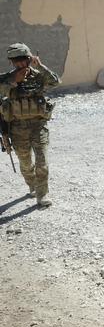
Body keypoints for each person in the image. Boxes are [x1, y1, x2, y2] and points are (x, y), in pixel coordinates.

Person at [0, 43, 60, 207]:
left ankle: (42, 195)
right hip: (17, 128)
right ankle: (32, 185)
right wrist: (13, 81)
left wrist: (40, 66)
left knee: (42, 162)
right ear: (12, 62)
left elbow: (55, 82)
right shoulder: (5, 78)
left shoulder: (38, 76)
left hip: (38, 125)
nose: (20, 64)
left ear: (29, 58)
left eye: (23, 59)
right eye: (16, 61)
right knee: (26, 164)